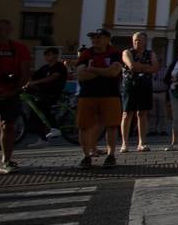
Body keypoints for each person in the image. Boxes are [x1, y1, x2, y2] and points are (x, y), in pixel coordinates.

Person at [0, 19, 32, 174]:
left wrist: (13, 91)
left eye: (0, 29)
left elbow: (25, 73)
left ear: (9, 30)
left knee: (8, 126)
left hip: (9, 94)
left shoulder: (19, 48)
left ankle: (6, 160)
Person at [76, 28, 122, 168]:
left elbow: (114, 72)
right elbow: (80, 74)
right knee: (84, 126)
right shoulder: (86, 53)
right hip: (87, 95)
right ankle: (86, 156)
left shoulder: (115, 53)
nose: (95, 40)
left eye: (99, 37)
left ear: (107, 39)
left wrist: (93, 69)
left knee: (111, 125)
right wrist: (104, 71)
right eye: (93, 38)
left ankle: (111, 155)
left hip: (110, 94)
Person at [119, 31, 159, 153]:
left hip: (145, 86)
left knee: (142, 114)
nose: (137, 42)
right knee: (127, 114)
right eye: (135, 40)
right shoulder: (127, 52)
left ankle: (142, 143)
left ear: (145, 41)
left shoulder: (150, 53)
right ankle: (124, 144)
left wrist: (140, 67)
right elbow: (131, 66)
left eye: (140, 40)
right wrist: (146, 67)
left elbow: (155, 68)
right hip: (130, 85)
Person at [24, 46, 68, 141]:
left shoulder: (59, 67)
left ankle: (55, 128)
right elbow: (34, 75)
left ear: (56, 55)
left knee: (43, 107)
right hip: (42, 92)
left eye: (49, 55)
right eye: (45, 55)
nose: (46, 57)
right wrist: (28, 81)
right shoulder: (45, 67)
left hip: (53, 92)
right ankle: (42, 138)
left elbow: (53, 77)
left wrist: (35, 82)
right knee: (36, 112)